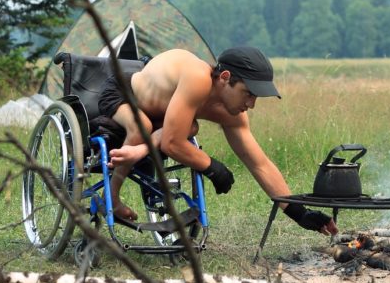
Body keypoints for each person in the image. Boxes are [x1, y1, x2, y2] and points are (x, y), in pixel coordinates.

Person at [96, 46, 338, 235]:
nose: (251, 105)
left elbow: (259, 163)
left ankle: (139, 150)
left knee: (190, 126)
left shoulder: (233, 113)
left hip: (164, 118)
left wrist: (300, 213)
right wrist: (211, 166)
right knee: (144, 126)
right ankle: (113, 199)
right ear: (225, 77)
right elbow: (171, 144)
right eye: (248, 93)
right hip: (124, 93)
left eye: (256, 98)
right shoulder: (197, 78)